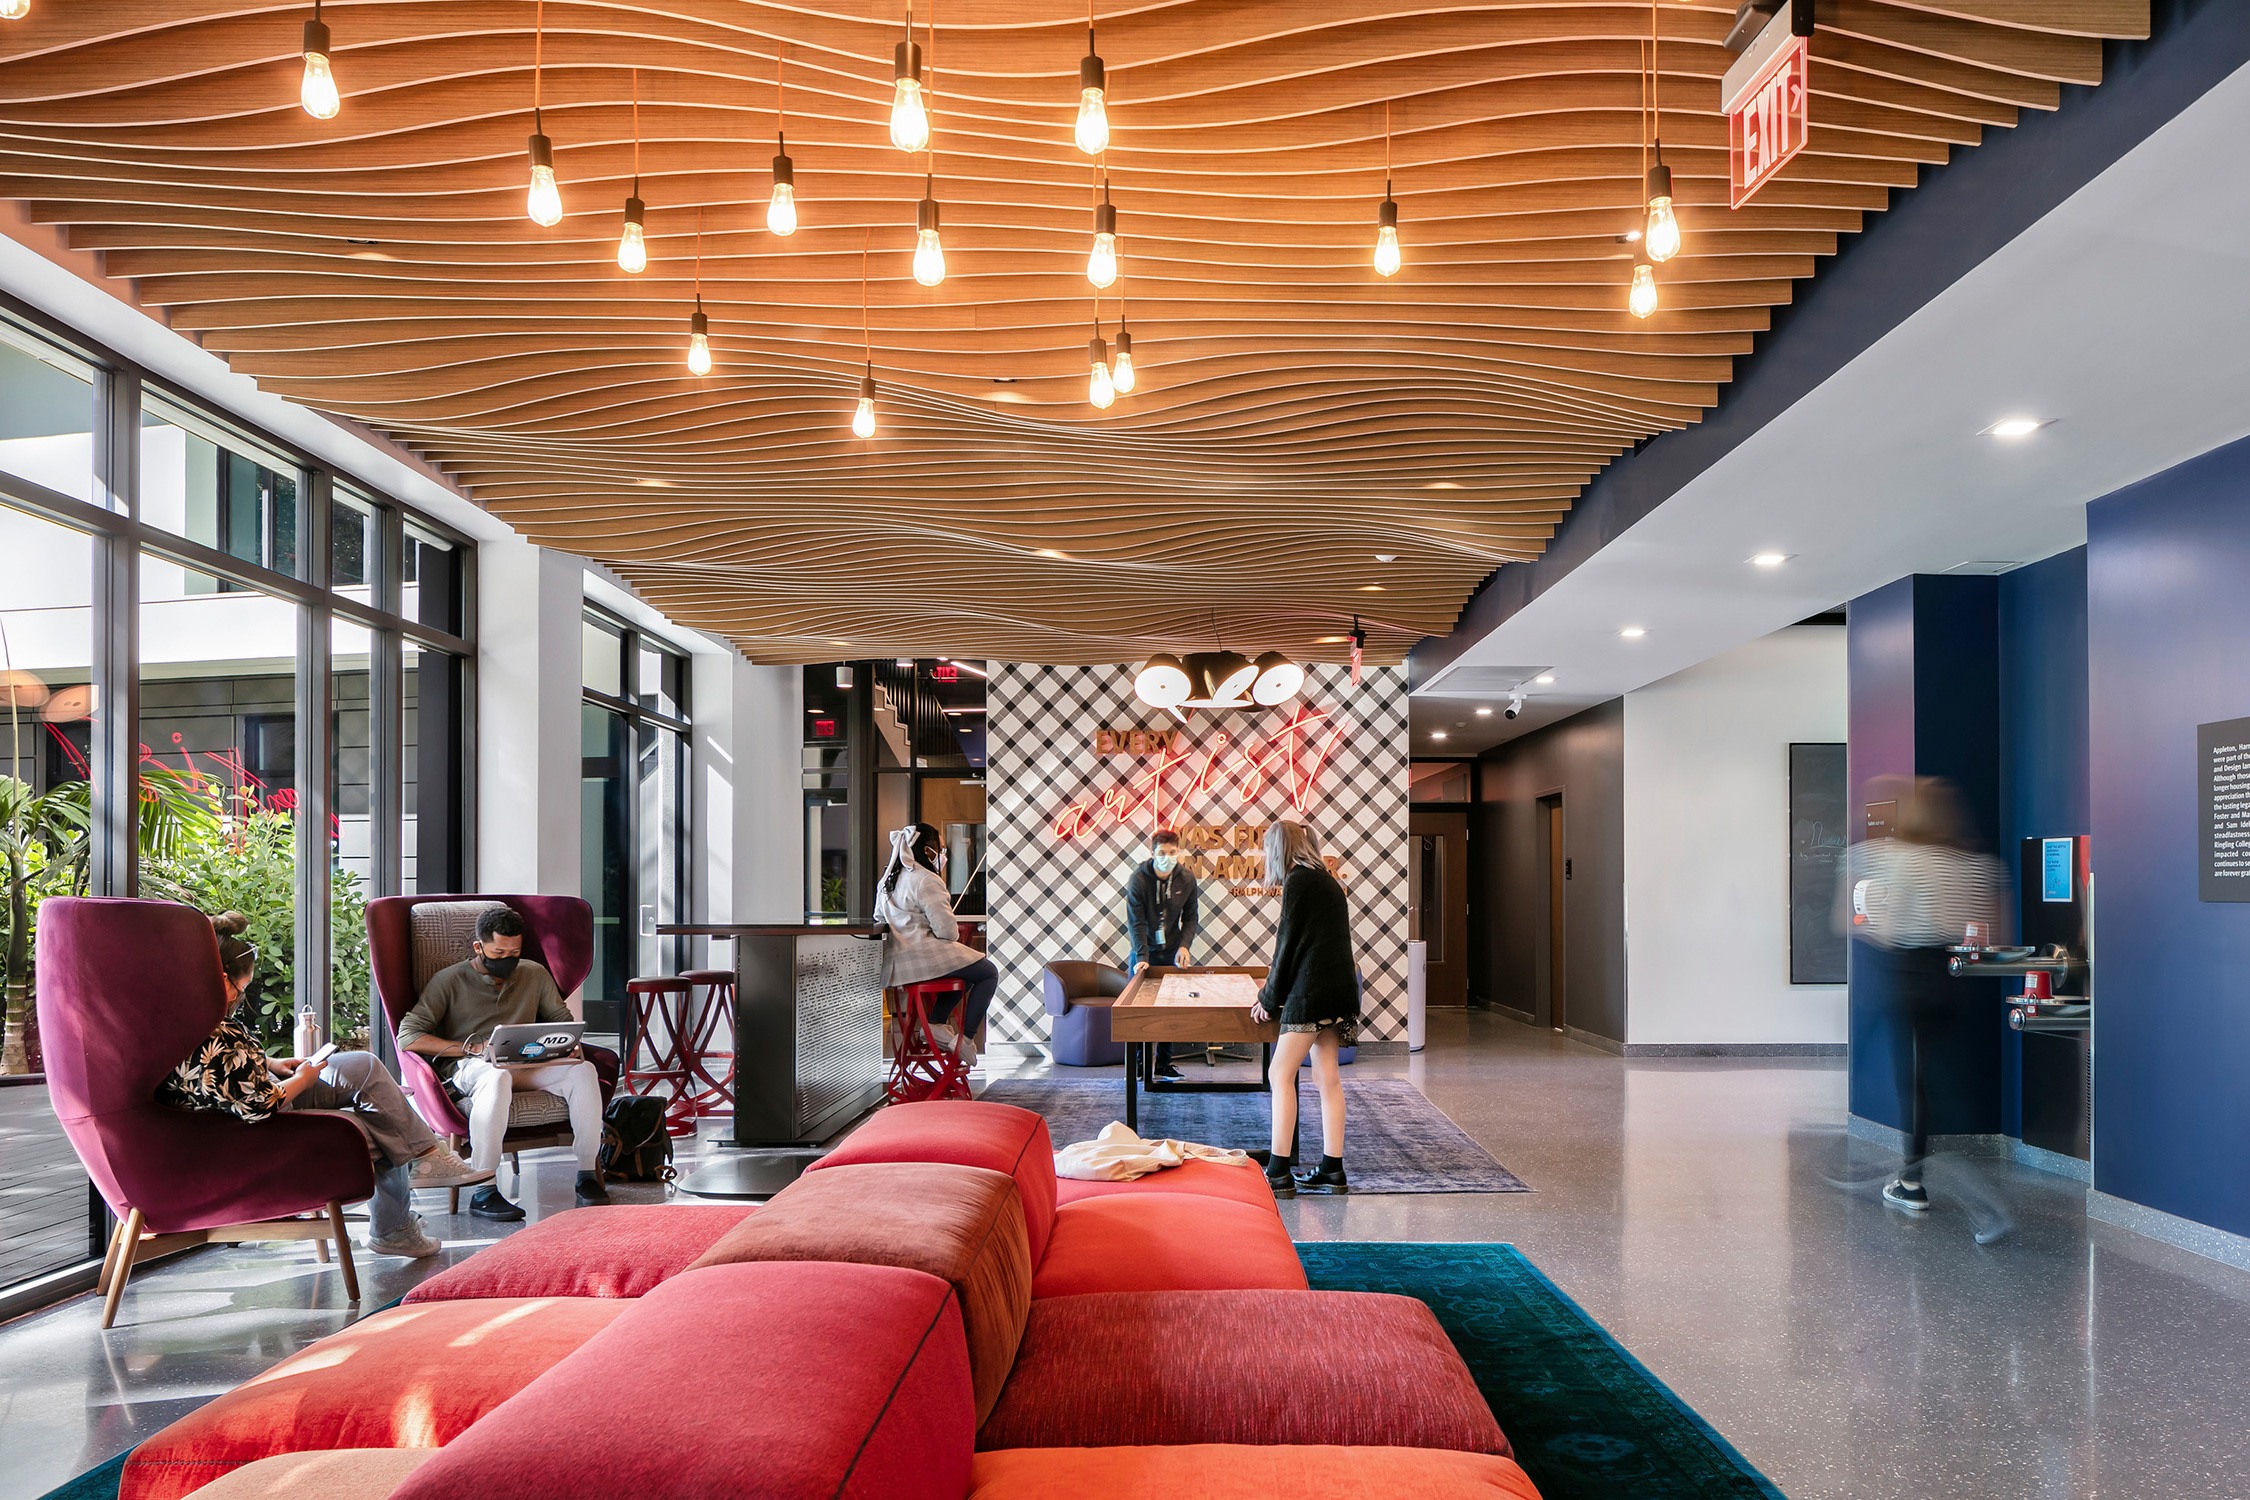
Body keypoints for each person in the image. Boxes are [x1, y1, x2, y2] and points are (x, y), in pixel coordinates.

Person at [159, 911, 488, 1259]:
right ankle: (396, 1224)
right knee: (380, 1124)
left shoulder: (190, 1015)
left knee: (364, 1067)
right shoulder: (212, 1034)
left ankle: (426, 1159)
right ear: (225, 981)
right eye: (243, 987)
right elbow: (257, 1105)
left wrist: (272, 1063)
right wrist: (302, 1080)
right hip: (247, 1125)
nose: (243, 995)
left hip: (260, 1092)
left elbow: (227, 1070)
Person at [1844, 777, 2004, 1218]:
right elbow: (1986, 930)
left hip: (1909, 983)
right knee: (1938, 1079)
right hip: (1951, 983)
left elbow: (1887, 928)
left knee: (1913, 1085)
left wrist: (1871, 922)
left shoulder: (1901, 861)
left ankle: (1913, 1183)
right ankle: (1930, 1171)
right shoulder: (1971, 865)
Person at [396, 906, 608, 1219]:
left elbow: (561, 1020)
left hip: (526, 1064)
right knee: (496, 1077)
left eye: (514, 952)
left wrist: (566, 1043)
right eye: (498, 952)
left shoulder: (533, 973)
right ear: (478, 947)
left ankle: (587, 1174)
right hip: (473, 1066)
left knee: (584, 1071)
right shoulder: (448, 981)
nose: (507, 959)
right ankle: (484, 1189)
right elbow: (408, 1036)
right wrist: (470, 1048)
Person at [1248, 821, 1359, 1198]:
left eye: (1268, 848)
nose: (1267, 856)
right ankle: (1332, 1169)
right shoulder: (1326, 880)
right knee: (1328, 1078)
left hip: (1312, 993)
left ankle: (1278, 1172)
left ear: (1280, 849)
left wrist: (1267, 999)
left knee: (1279, 1074)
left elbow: (1287, 947)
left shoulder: (1298, 882)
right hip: (1339, 991)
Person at [875, 822, 999, 1051]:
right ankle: (965, 1039)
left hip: (897, 964)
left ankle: (936, 1024)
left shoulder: (887, 880)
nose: (943, 855)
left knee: (968, 970)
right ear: (927, 851)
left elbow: (878, 917)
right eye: (941, 849)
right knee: (988, 972)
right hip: (924, 958)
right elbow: (947, 931)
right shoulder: (926, 879)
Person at [1124, 826, 1200, 1081]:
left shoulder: (1186, 878)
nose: (1168, 857)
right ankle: (1138, 1064)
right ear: (1153, 853)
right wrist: (1142, 957)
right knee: (1137, 1010)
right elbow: (1135, 922)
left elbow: (1191, 918)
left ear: (1178, 851)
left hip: (1172, 950)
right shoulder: (1138, 879)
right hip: (1143, 950)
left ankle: (1164, 1064)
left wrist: (1184, 946)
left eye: (1173, 852)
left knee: (1171, 1007)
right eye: (1162, 853)